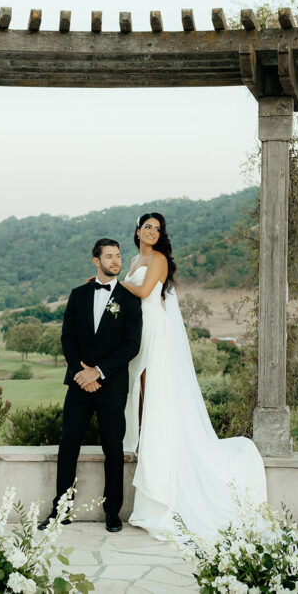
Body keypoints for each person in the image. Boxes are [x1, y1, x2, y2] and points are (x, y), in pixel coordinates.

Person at [120, 212, 267, 540]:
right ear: (137, 230)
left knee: (153, 390)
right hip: (138, 328)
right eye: (148, 227)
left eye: (158, 229)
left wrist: (112, 285)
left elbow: (144, 292)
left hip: (154, 328)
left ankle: (158, 464)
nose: (153, 232)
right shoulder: (133, 259)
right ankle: (140, 442)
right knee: (138, 387)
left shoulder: (158, 260)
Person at [38, 238, 143, 533]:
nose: (115, 261)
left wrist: (99, 372)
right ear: (95, 261)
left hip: (111, 385)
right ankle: (61, 510)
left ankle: (112, 512)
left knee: (113, 447)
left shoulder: (129, 299)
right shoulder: (78, 294)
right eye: (109, 256)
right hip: (79, 384)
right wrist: (80, 373)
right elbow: (67, 337)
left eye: (118, 256)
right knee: (68, 444)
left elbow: (131, 345)